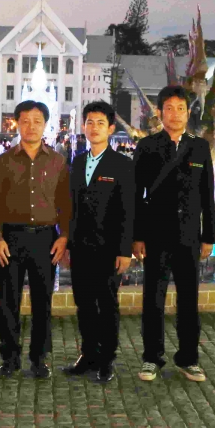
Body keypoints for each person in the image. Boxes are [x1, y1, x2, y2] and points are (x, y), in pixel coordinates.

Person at [132, 85, 215, 383]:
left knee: (189, 300)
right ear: (160, 112)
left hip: (189, 236)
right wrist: (137, 236)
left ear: (188, 112)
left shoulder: (200, 147)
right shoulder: (147, 146)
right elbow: (136, 195)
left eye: (181, 108)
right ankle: (151, 358)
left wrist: (209, 236)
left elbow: (208, 194)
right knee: (153, 299)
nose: (176, 114)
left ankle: (188, 359)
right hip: (156, 234)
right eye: (169, 108)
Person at [0, 100, 72, 379]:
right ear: (17, 124)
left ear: (45, 124)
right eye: (25, 121)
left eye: (37, 121)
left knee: (42, 301)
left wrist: (64, 237)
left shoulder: (58, 161)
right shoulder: (4, 161)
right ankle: (9, 358)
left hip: (46, 239)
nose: (31, 126)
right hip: (11, 238)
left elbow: (65, 204)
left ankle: (39, 359)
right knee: (8, 300)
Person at [63, 101, 134, 384]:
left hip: (109, 249)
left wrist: (125, 250)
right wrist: (67, 243)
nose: (94, 128)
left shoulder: (122, 164)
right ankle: (88, 355)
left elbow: (128, 210)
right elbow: (71, 206)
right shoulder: (78, 162)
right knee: (84, 303)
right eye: (90, 122)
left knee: (106, 304)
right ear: (83, 126)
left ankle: (106, 359)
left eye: (100, 123)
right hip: (80, 247)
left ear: (111, 129)